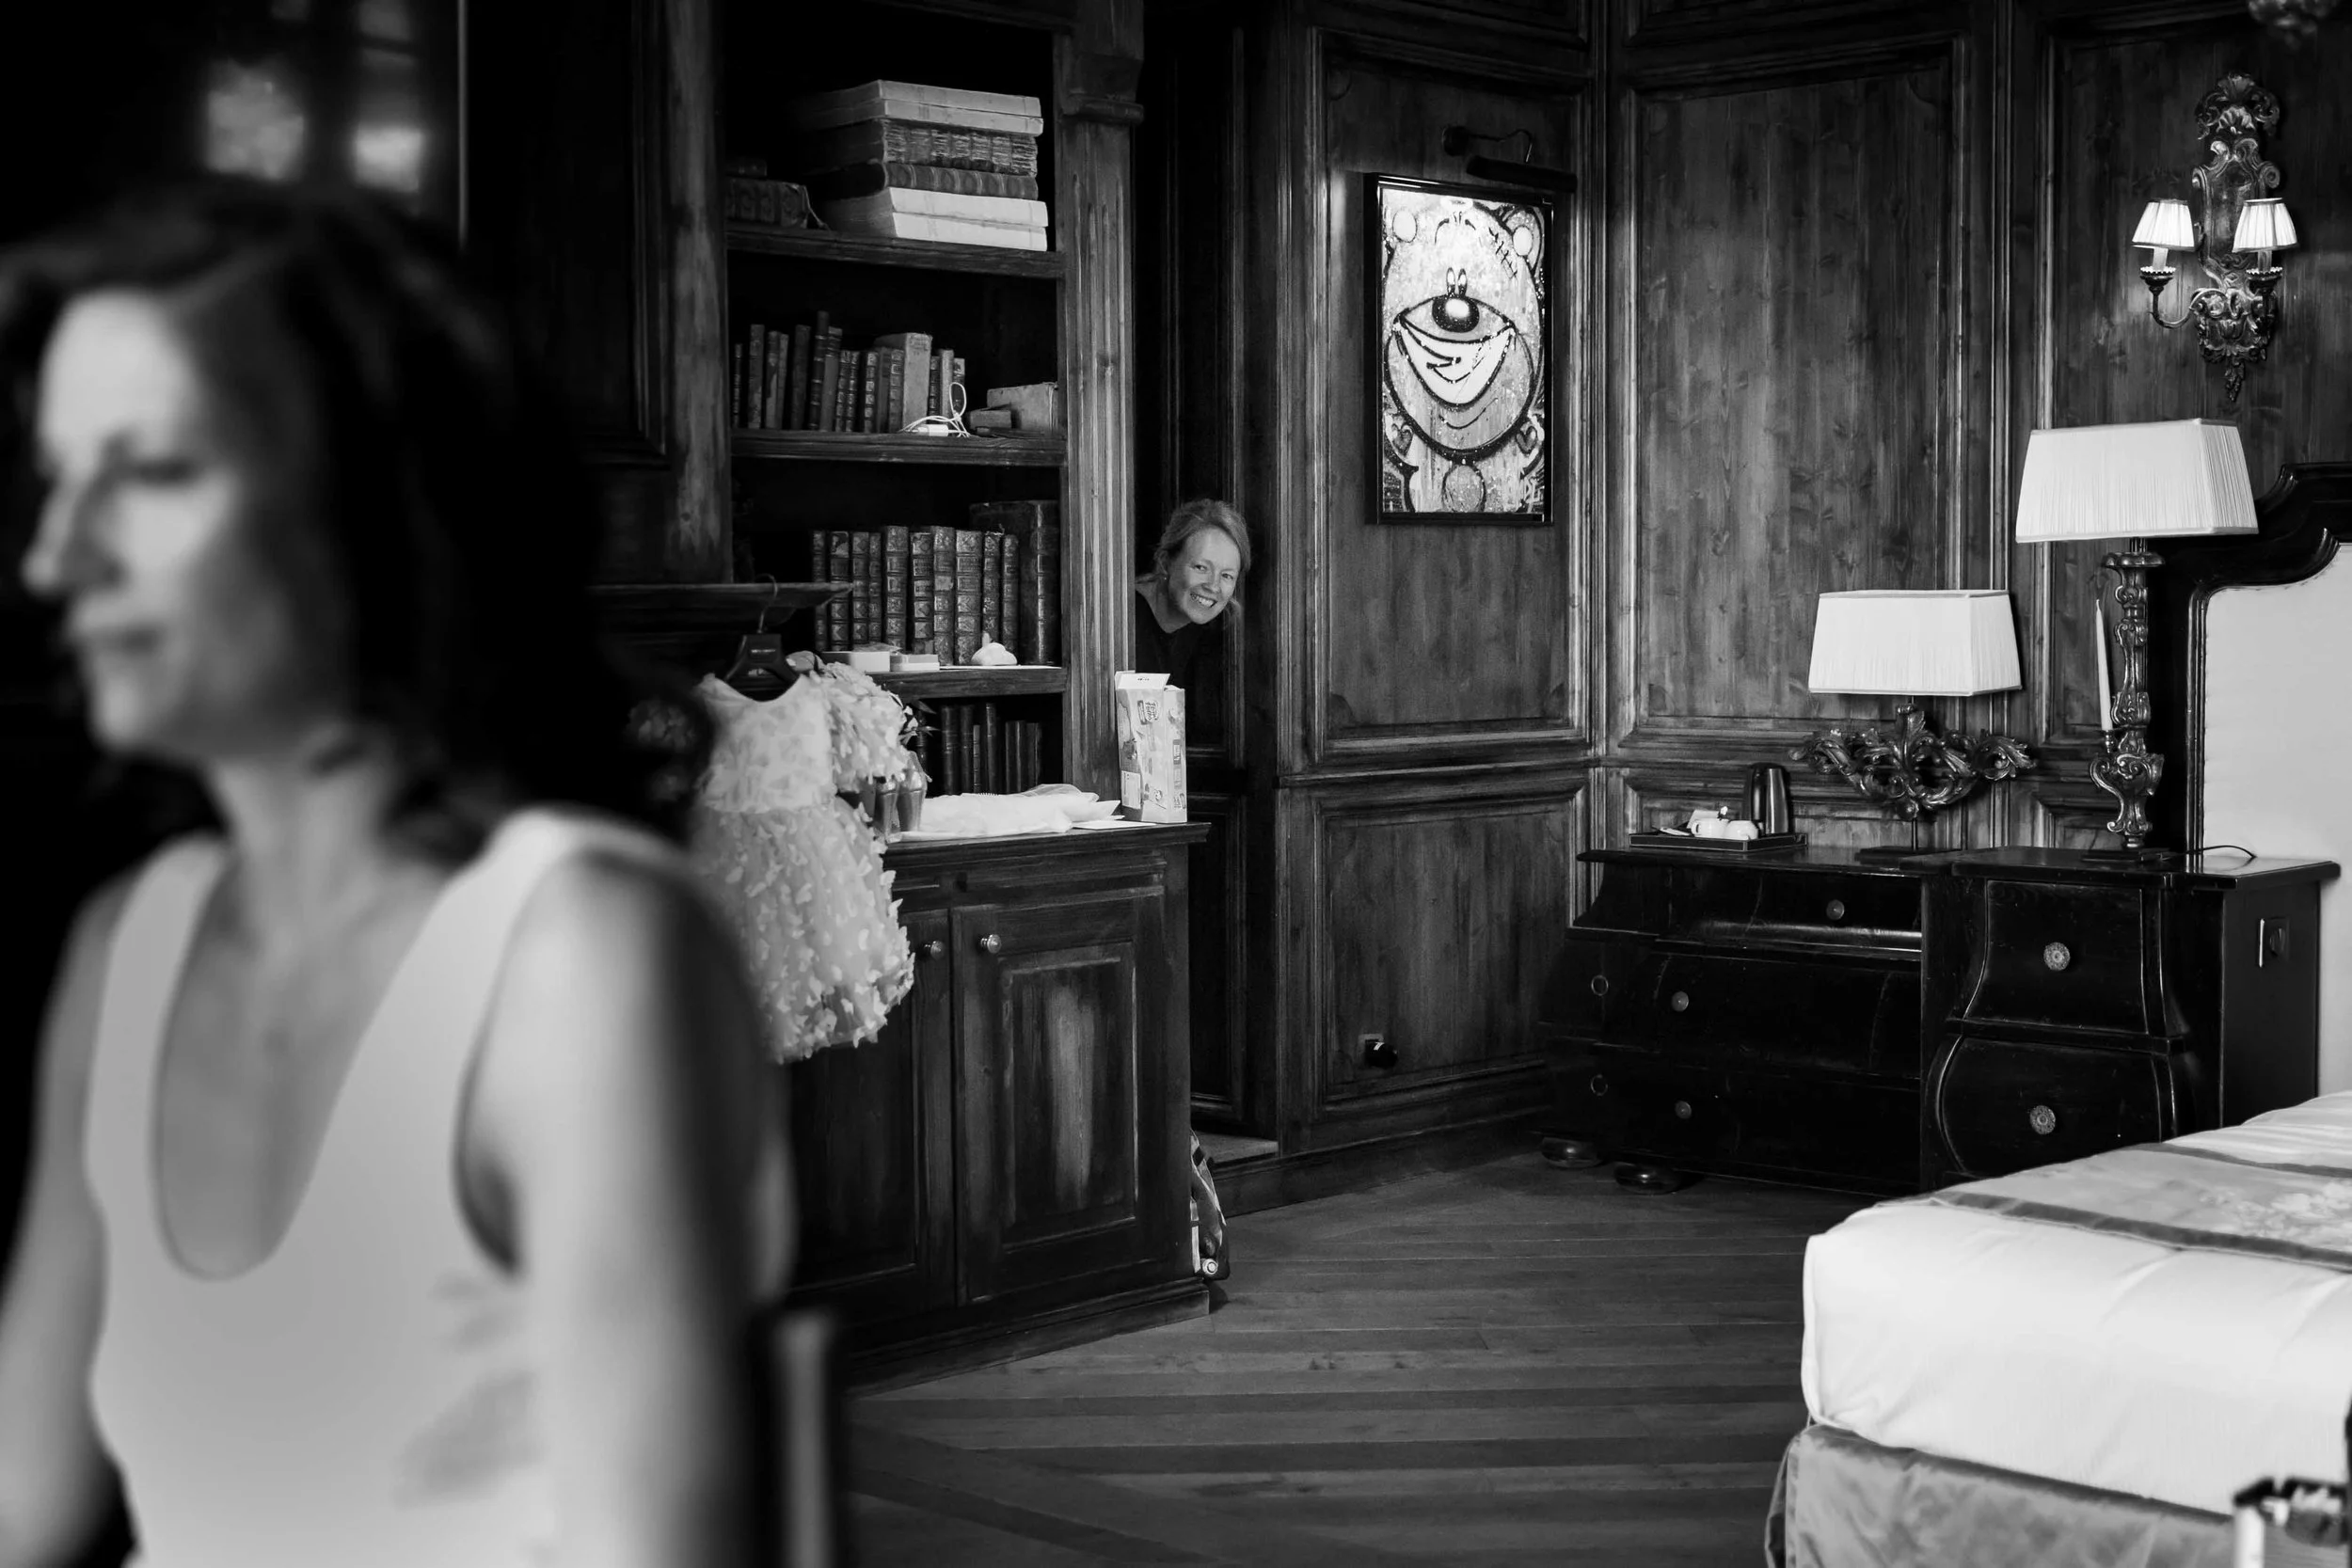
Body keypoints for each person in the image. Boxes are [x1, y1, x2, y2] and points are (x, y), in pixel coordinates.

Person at [0, 178, 787, 1568]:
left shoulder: (572, 951)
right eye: (62, 478)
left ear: (368, 508)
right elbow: (25, 1494)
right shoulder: (130, 941)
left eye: (155, 470)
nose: (58, 558)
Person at [1131, 499, 1251, 1281]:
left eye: (1227, 574)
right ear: (1167, 560)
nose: (1212, 584)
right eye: (1200, 565)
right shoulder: (1122, 611)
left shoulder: (1217, 628)